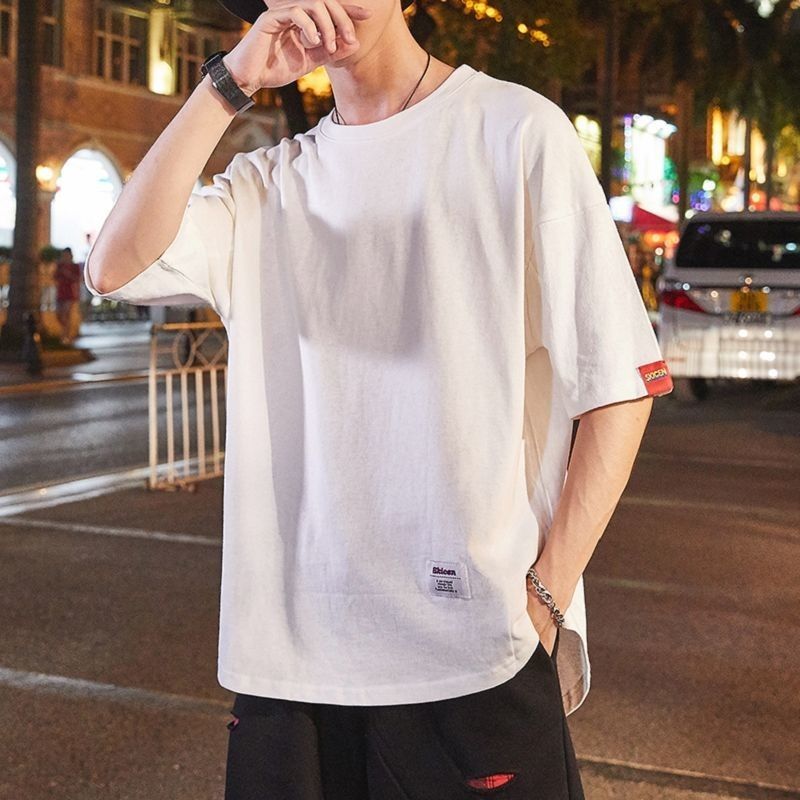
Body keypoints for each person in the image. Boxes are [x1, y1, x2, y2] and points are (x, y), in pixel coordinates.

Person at [83, 0, 674, 796]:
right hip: (289, 666)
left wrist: (545, 592)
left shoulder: (516, 130)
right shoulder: (269, 181)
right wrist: (229, 85)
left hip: (472, 656)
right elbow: (113, 267)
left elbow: (617, 385)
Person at [55, 246, 81, 345]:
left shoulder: (74, 266)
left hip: (70, 293)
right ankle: (64, 333)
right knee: (59, 315)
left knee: (66, 314)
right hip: (60, 293)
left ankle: (66, 336)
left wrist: (68, 274)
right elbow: (55, 277)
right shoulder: (60, 265)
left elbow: (78, 279)